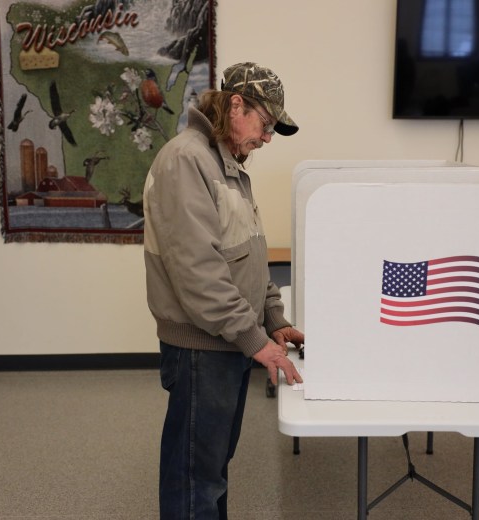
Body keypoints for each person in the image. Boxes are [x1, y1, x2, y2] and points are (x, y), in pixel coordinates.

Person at [143, 62, 305, 519]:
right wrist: (256, 340)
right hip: (202, 347)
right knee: (195, 477)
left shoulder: (227, 164)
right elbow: (200, 275)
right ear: (236, 105)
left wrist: (275, 319)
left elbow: (248, 257)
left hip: (227, 342)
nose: (269, 137)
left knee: (211, 469)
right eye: (266, 123)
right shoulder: (186, 160)